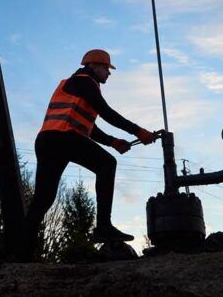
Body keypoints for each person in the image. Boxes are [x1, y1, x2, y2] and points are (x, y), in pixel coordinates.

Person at [25, 48, 159, 250]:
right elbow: (106, 112)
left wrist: (113, 142)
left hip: (48, 140)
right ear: (94, 66)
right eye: (106, 68)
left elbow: (90, 127)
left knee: (43, 199)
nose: (109, 73)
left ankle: (20, 249)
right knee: (107, 164)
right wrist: (138, 131)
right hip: (64, 138)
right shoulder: (85, 81)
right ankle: (103, 226)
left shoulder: (75, 84)